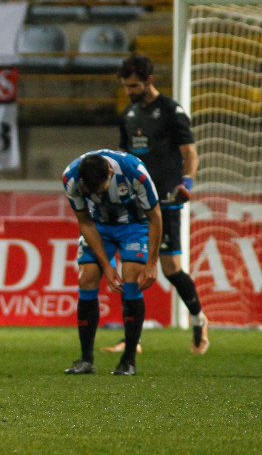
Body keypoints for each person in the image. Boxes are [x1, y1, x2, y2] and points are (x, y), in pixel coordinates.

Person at [106, 54, 210, 355]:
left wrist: (186, 184)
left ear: (150, 80)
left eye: (135, 85)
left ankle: (197, 318)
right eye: (127, 86)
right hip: (135, 200)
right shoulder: (128, 115)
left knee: (170, 268)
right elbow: (122, 156)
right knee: (132, 268)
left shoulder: (171, 111)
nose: (130, 91)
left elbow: (190, 153)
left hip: (165, 198)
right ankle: (131, 340)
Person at [62, 149, 162, 376]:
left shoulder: (134, 171)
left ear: (109, 172)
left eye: (101, 189)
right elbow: (84, 221)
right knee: (86, 279)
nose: (97, 195)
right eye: (92, 191)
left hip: (134, 226)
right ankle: (86, 359)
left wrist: (152, 262)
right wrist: (106, 265)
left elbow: (155, 215)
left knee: (132, 281)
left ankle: (128, 360)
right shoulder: (71, 178)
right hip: (98, 226)